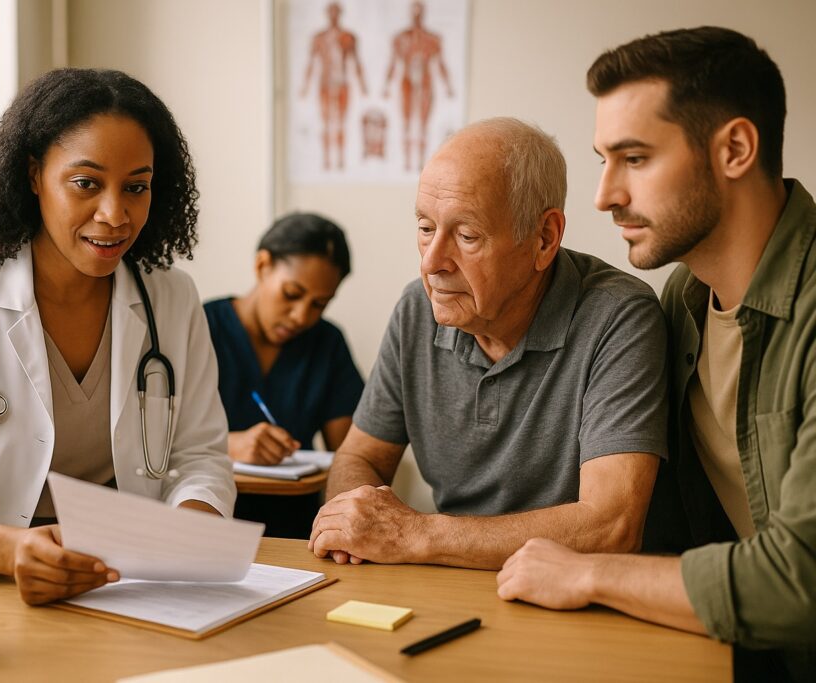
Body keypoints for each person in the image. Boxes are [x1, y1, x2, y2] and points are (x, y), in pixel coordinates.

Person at [496, 28, 815, 681]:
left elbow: (798, 580)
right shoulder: (683, 300)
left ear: (734, 149)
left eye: (634, 158)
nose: (603, 194)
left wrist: (587, 570)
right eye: (602, 160)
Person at [0, 68, 236, 605]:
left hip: (119, 581)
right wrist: (7, 549)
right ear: (34, 174)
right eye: (87, 183)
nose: (115, 214)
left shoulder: (171, 298)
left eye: (136, 187)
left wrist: (189, 530)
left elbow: (200, 457)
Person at [309, 117, 668, 568]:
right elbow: (360, 454)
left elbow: (611, 525)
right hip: (454, 582)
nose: (433, 263)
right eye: (425, 228)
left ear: (543, 238)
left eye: (467, 235)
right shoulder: (417, 309)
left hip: (579, 598)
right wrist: (351, 524)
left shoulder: (618, 316)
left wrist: (419, 534)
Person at [204, 213, 364, 538]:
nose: (301, 316)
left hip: (297, 531)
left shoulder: (326, 343)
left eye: (319, 304)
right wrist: (229, 444)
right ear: (262, 265)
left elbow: (354, 453)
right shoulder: (201, 328)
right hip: (211, 522)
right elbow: (152, 441)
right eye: (292, 294)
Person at [383, 1, 453, 171]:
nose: (416, 15)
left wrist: (448, 85)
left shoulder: (432, 39)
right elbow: (393, 63)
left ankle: (421, 162)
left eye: (419, 11)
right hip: (407, 83)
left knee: (423, 125)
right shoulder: (400, 39)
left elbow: (440, 64)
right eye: (414, 12)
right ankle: (407, 162)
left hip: (425, 84)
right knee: (406, 123)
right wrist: (386, 84)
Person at [300, 2, 368, 171]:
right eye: (331, 12)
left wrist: (362, 85)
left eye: (336, 12)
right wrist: (305, 86)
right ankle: (327, 160)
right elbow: (311, 63)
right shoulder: (319, 38)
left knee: (341, 123)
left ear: (340, 14)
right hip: (325, 83)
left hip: (342, 84)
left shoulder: (348, 37)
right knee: (326, 122)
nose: (333, 16)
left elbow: (356, 62)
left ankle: (340, 159)